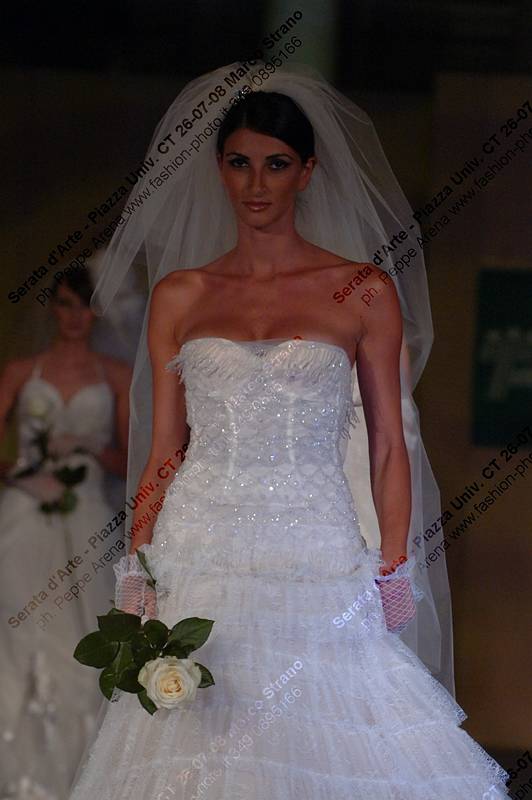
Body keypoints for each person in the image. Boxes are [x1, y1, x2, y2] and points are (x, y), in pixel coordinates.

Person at [67, 62, 509, 799]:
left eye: (276, 164)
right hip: (200, 543)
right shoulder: (181, 295)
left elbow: (388, 443)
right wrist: (137, 567)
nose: (256, 183)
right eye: (239, 163)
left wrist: (393, 567)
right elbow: (166, 449)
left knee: (335, 726)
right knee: (193, 736)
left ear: (307, 172)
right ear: (219, 170)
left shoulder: (361, 291)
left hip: (315, 544)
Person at [0, 270, 132, 800]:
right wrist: (25, 474)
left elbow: (132, 461)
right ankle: (19, 773)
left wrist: (88, 447)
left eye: (85, 305)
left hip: (89, 516)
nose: (75, 316)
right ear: (52, 308)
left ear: (97, 311)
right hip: (25, 513)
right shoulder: (20, 370)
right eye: (65, 304)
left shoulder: (116, 374)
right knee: (18, 628)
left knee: (84, 633)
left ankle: (85, 772)